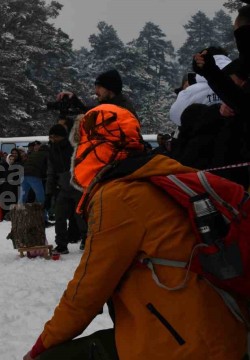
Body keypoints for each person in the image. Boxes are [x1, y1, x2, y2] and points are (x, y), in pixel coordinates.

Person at [23, 104, 248, 360]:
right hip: (221, 330)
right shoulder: (158, 172)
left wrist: (40, 347)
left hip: (185, 344)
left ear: (93, 146)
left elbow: (87, 291)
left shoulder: (119, 196)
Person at [46, 124, 87, 254]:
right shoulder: (52, 150)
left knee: (81, 216)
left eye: (55, 137)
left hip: (78, 187)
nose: (52, 139)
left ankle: (87, 239)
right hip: (63, 188)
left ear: (62, 137)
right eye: (51, 136)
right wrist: (49, 193)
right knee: (60, 217)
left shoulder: (73, 147)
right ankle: (61, 245)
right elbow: (51, 172)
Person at [56, 69, 137, 118]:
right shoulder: (108, 106)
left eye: (99, 87)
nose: (96, 92)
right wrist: (74, 101)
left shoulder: (124, 112)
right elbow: (90, 112)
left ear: (110, 88)